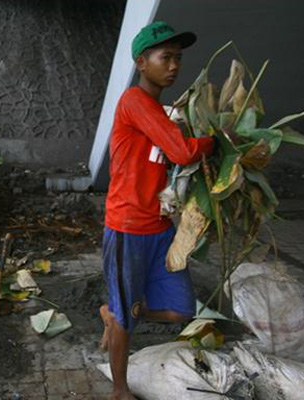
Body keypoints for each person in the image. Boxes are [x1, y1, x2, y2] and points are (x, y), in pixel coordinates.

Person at [99, 21, 216, 400]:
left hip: (160, 227)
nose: (174, 67)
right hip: (128, 227)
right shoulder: (134, 101)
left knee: (181, 310)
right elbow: (183, 151)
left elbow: (173, 158)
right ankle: (120, 389)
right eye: (166, 58)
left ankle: (116, 312)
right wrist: (215, 142)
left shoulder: (161, 112)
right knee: (127, 318)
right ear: (140, 62)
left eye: (178, 59)